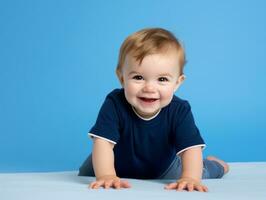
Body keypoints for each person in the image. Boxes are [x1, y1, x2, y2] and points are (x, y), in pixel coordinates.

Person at [78, 28, 229, 192]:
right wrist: (106, 175)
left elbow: (191, 149)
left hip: (164, 167)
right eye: (138, 77)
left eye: (162, 79)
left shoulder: (179, 110)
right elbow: (103, 143)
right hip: (113, 163)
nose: (149, 88)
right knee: (85, 172)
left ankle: (218, 165)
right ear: (122, 78)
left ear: (177, 83)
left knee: (199, 172)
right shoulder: (115, 103)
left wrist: (189, 177)